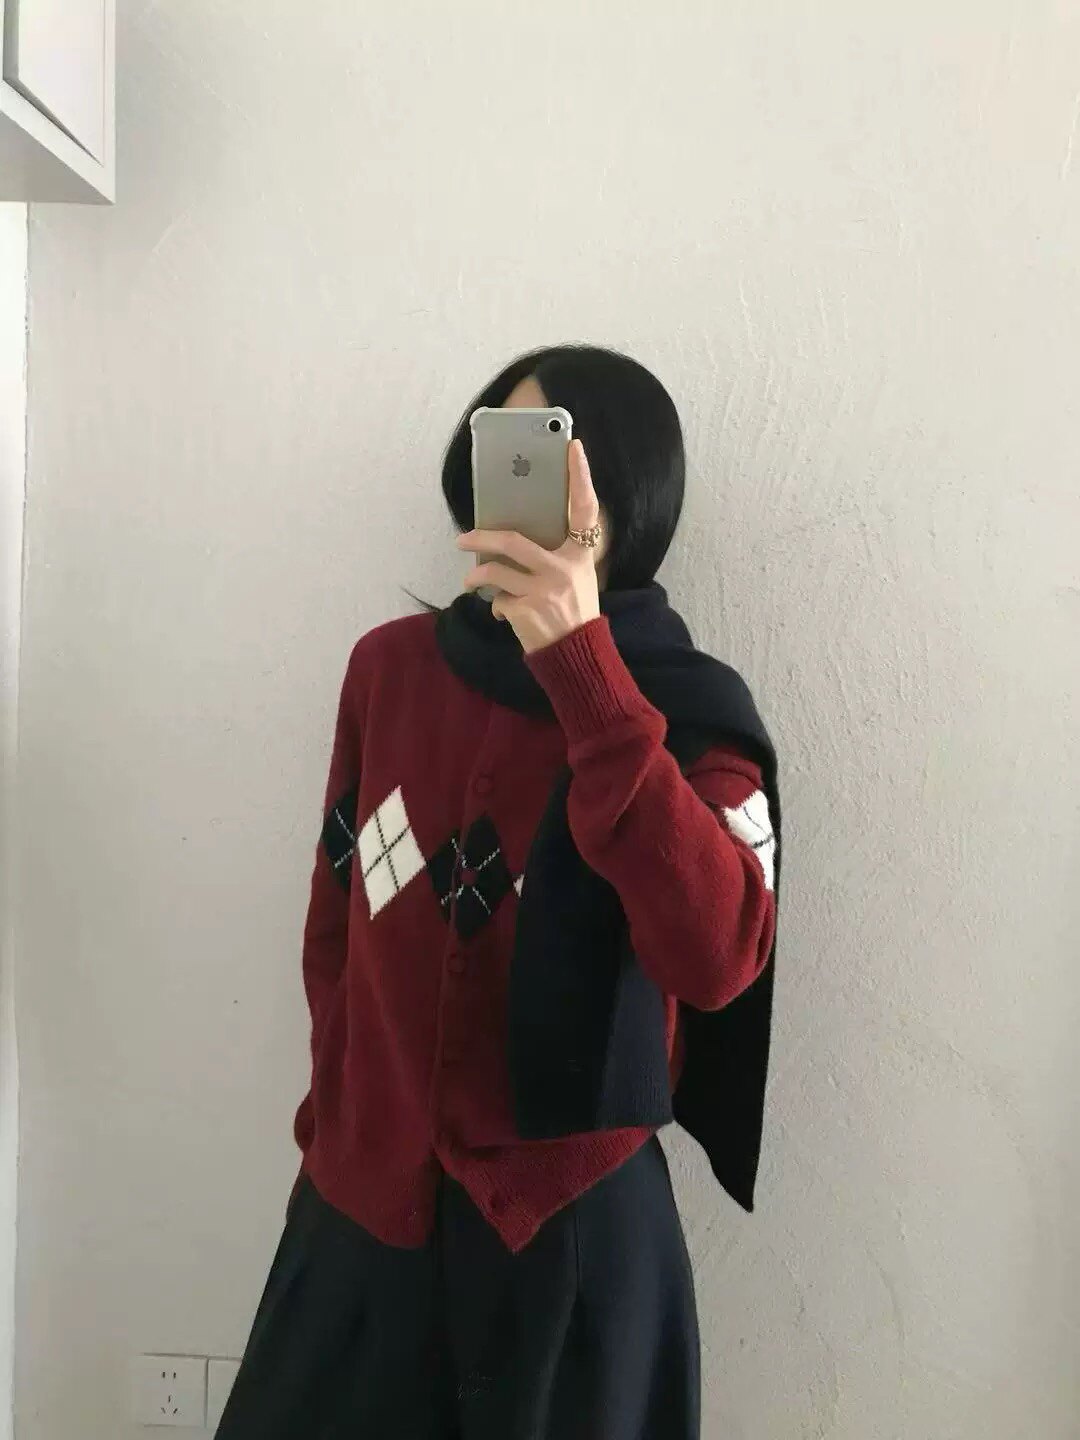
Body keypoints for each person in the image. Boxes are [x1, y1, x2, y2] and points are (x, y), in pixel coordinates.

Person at [215, 344, 780, 1440]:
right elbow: (336, 925)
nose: (505, 492)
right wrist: (337, 1129)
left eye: (545, 461)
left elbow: (718, 957)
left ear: (624, 499)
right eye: (495, 451)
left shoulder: (690, 713)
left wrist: (585, 671)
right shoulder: (389, 670)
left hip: (569, 1246)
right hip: (359, 1216)